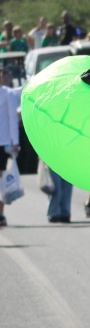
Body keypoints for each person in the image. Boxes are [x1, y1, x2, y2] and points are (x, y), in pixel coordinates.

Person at [0, 75, 20, 227]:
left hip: (3, 142)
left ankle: (1, 213)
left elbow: (13, 119)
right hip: (4, 142)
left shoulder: (7, 93)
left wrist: (15, 142)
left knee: (1, 179)